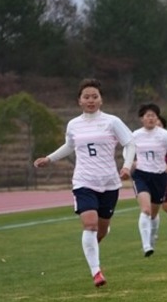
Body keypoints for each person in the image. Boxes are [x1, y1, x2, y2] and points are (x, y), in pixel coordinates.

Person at [33, 78, 135, 287]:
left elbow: (130, 143)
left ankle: (93, 246)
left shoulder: (112, 122)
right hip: (84, 181)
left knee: (101, 230)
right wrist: (49, 159)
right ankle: (96, 272)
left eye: (94, 96)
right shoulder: (74, 124)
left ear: (101, 100)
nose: (90, 100)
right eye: (86, 97)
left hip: (109, 183)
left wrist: (126, 166)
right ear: (79, 100)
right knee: (89, 224)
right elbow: (69, 146)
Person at [130, 103, 167, 257]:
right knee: (145, 210)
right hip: (141, 175)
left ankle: (152, 237)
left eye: (153, 116)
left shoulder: (164, 134)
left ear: (157, 118)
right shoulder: (135, 135)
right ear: (142, 118)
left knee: (153, 213)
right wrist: (129, 164)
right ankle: (146, 245)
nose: (151, 118)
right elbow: (128, 151)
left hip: (159, 176)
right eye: (148, 116)